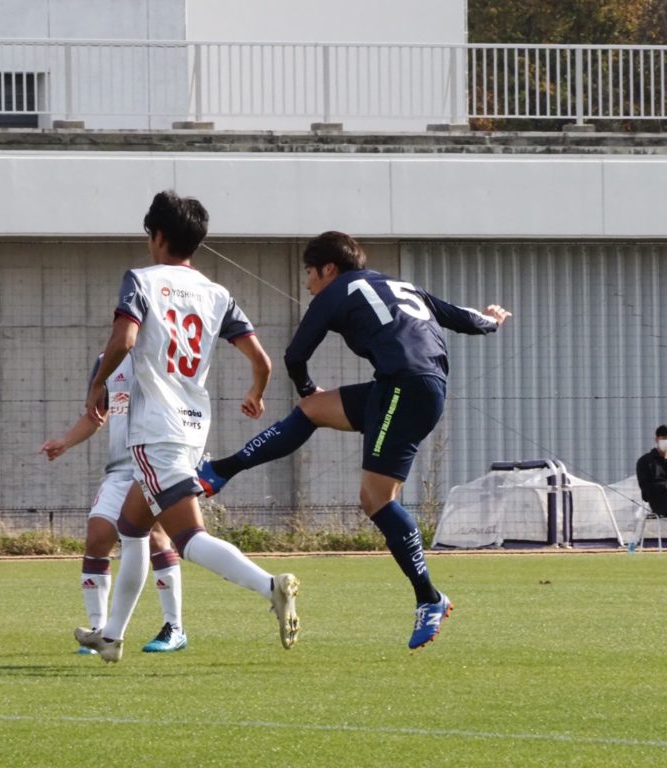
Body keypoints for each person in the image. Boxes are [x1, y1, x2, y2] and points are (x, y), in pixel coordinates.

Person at [197, 230, 511, 649]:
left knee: (375, 499)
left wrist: (305, 385)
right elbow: (462, 318)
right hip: (409, 386)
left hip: (405, 388)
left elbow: (294, 356)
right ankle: (219, 471)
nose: (307, 283)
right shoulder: (400, 284)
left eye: (310, 273)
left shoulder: (335, 291)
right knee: (313, 411)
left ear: (329, 268)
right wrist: (492, 320)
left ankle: (429, 598)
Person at [74, 190, 299, 663]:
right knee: (132, 527)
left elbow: (125, 339)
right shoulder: (217, 294)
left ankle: (270, 586)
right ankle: (111, 636)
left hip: (155, 430)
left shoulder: (142, 279)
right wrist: (256, 393)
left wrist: (96, 385)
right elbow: (261, 360)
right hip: (193, 427)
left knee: (189, 538)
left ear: (157, 236)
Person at [40, 352, 188, 654]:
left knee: (157, 539)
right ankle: (99, 631)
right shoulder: (107, 360)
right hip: (119, 470)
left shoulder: (165, 353)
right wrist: (64, 441)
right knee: (97, 538)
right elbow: (96, 415)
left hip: (155, 464)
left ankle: (174, 627)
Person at [635, 424, 667, 518]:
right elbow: (645, 488)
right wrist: (664, 486)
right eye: (664, 438)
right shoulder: (645, 461)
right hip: (659, 502)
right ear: (656, 439)